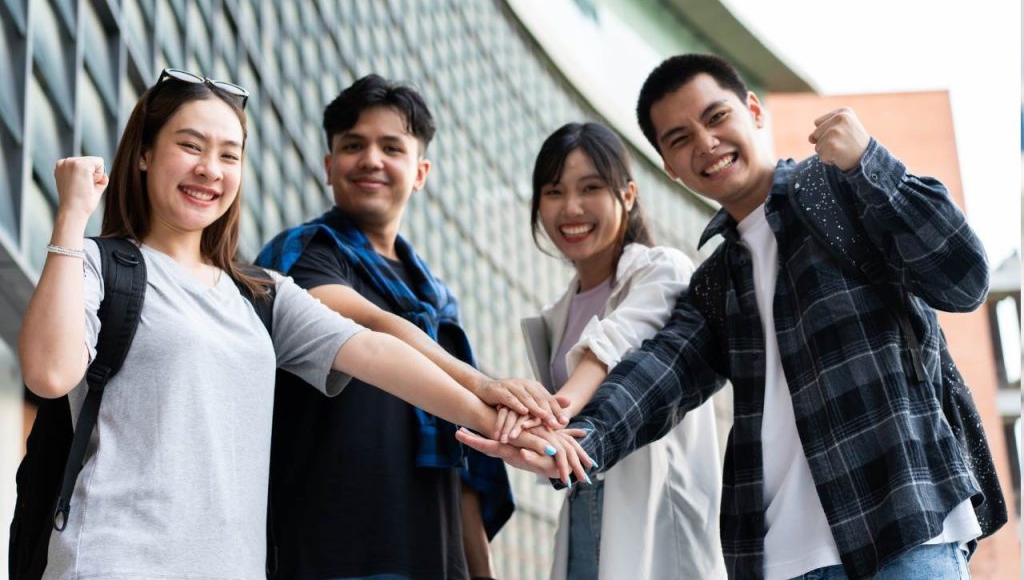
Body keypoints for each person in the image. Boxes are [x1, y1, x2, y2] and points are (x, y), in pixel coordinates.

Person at [18, 69, 576, 579]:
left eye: (229, 155)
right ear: (143, 154)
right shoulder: (99, 264)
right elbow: (48, 373)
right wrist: (71, 217)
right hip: (113, 563)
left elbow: (376, 350)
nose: (209, 169)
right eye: (190, 146)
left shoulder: (259, 293)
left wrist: (495, 418)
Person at [458, 54, 996, 579]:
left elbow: (965, 278)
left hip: (903, 525)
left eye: (716, 117)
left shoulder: (838, 189)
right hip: (784, 558)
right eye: (680, 139)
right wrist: (575, 441)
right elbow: (656, 377)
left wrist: (870, 163)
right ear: (669, 167)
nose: (706, 143)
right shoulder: (715, 282)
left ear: (754, 111)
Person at [257, 74, 577, 580]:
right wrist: (484, 385)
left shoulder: (437, 302)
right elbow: (371, 325)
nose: (371, 160)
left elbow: (465, 456)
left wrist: (480, 571)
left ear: (420, 170)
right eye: (353, 146)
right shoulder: (304, 255)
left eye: (391, 147)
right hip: (327, 552)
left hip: (433, 556)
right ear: (328, 165)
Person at [494, 122, 724, 579]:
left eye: (591, 188)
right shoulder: (554, 315)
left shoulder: (663, 270)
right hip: (584, 508)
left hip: (659, 516)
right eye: (554, 191)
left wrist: (549, 410)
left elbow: (614, 345)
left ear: (628, 193)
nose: (571, 208)